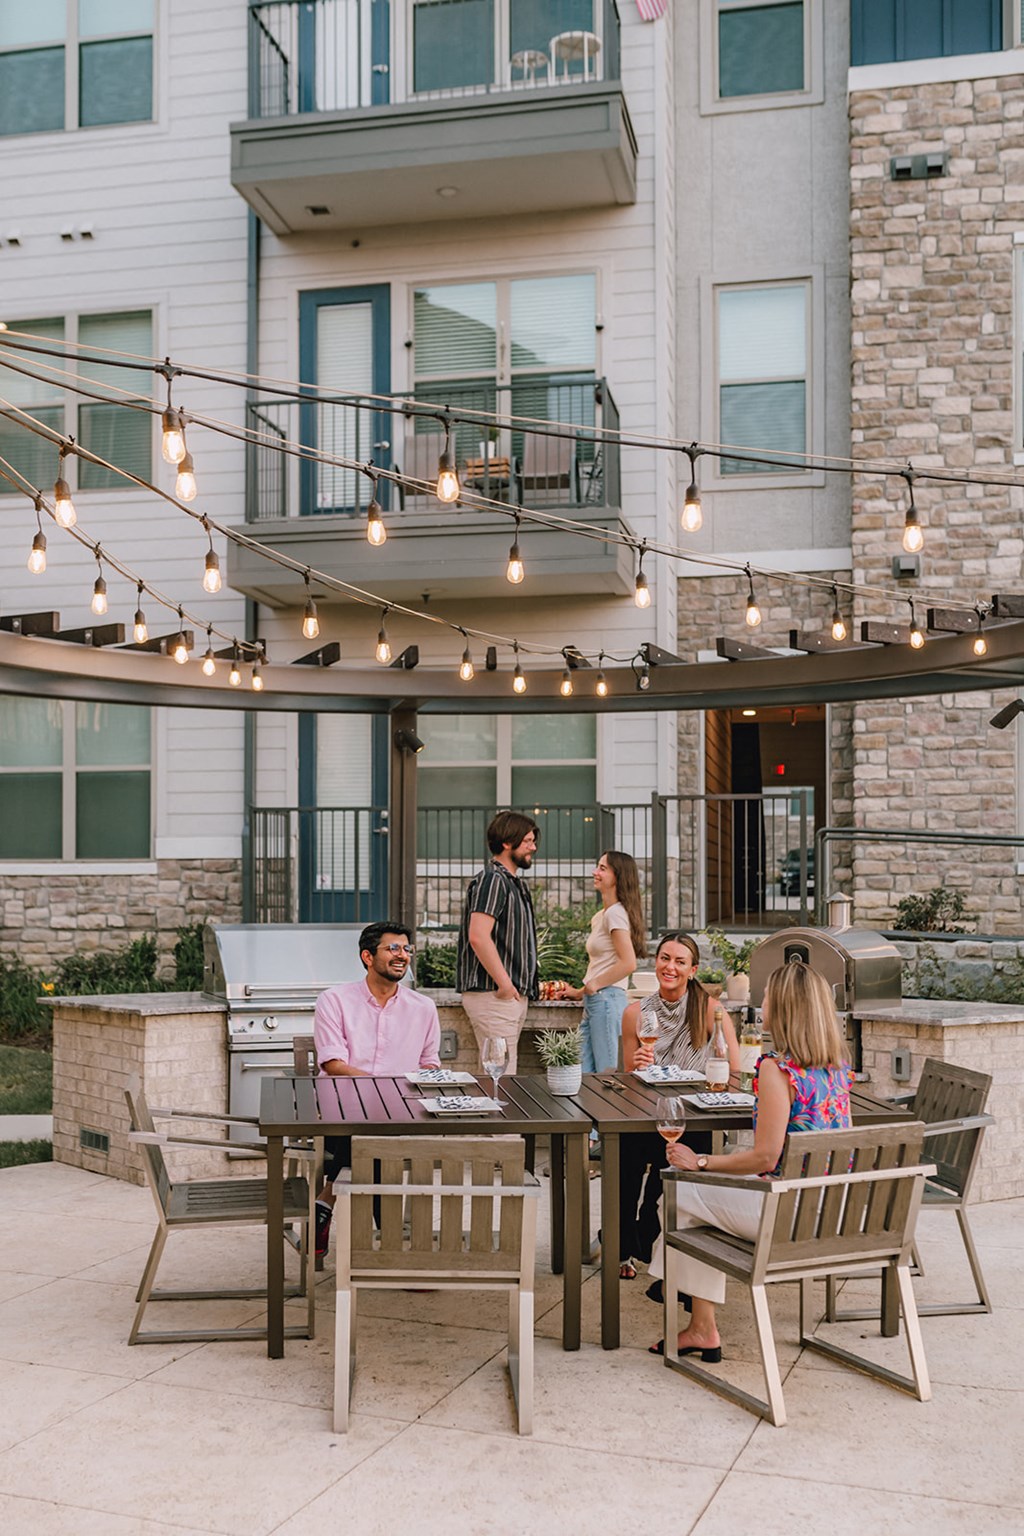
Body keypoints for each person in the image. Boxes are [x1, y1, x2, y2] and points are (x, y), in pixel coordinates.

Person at [649, 960, 853, 1361]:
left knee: (675, 1190)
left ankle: (681, 1295)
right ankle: (697, 1323)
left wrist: (701, 1162)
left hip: (787, 1214)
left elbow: (766, 1155)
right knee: (686, 1201)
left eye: (768, 996)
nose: (762, 1001)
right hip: (830, 1209)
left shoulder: (778, 1070)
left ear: (785, 1007)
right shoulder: (838, 1066)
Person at [312, 920, 441, 1259]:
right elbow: (333, 1064)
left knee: (374, 1139)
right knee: (373, 1141)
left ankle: (325, 1200)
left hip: (402, 1110)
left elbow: (430, 1062)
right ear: (367, 957)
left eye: (407, 949)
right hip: (342, 1107)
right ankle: (394, 1248)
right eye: (393, 948)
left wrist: (414, 1087)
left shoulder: (424, 1008)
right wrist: (384, 1089)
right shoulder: (334, 1001)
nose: (403, 955)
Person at [618, 931, 739, 1281]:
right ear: (656, 962)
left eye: (679, 962)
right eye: (664, 958)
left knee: (673, 1172)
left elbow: (733, 1070)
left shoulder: (711, 1011)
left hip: (692, 1115)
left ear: (693, 970)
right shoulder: (634, 1014)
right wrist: (638, 1065)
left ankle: (649, 1242)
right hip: (646, 1111)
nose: (670, 967)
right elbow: (627, 1075)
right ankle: (622, 1249)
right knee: (624, 1160)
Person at [457, 810, 540, 1075]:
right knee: (500, 1079)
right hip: (493, 994)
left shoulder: (515, 884)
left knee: (500, 1079)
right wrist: (505, 984)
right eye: (527, 841)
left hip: (507, 996)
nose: (533, 847)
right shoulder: (493, 880)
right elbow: (478, 935)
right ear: (507, 842)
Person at [557, 849, 647, 1074]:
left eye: (602, 868)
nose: (595, 872)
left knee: (607, 1076)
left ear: (618, 876)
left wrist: (594, 986)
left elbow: (628, 963)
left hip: (607, 1001)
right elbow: (603, 964)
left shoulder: (615, 914)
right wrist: (580, 991)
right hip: (596, 1002)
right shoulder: (602, 915)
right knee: (584, 1075)